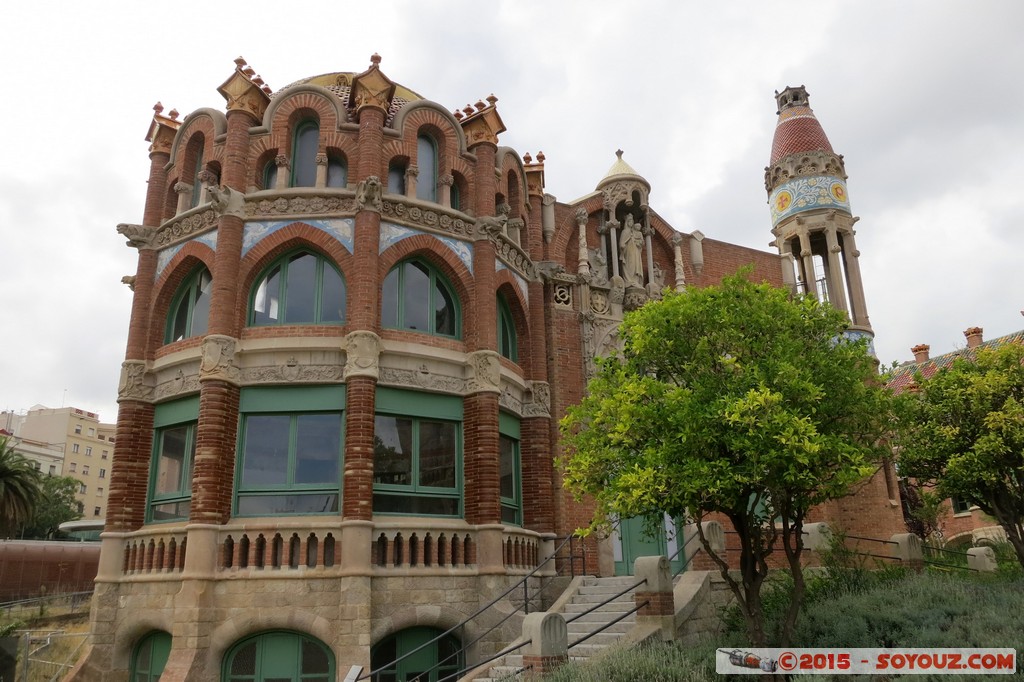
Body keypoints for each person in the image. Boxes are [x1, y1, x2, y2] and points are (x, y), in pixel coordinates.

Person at [619, 214, 644, 287]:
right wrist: (623, 246)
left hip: (635, 251)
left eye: (632, 221)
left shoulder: (634, 232)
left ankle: (635, 280)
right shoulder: (625, 231)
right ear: (627, 222)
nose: (631, 223)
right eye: (629, 221)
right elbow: (621, 243)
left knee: (636, 265)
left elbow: (641, 241)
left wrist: (639, 244)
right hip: (628, 251)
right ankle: (629, 280)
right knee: (630, 264)